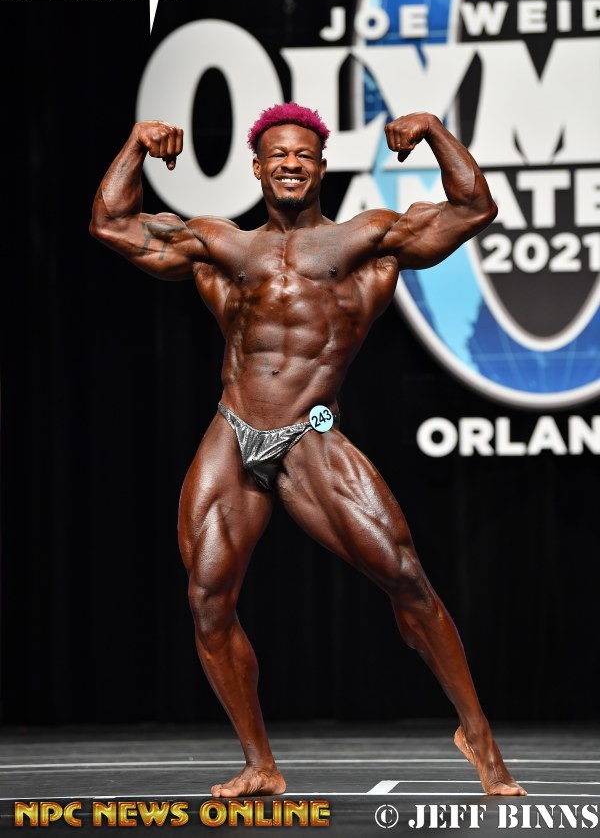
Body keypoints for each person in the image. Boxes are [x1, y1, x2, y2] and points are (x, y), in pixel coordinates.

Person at [90, 103, 526, 799]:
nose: (290, 164)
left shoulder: (368, 238)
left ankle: (479, 737)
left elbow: (474, 209)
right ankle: (260, 764)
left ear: (322, 167)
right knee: (207, 600)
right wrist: (137, 142)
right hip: (232, 426)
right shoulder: (220, 245)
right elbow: (112, 224)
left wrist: (435, 131)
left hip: (310, 427)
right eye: (278, 155)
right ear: (257, 168)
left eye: (303, 155)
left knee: (405, 578)